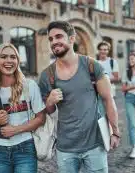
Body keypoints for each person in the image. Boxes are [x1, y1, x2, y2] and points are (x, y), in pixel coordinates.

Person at [38, 21, 120, 173]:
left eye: (58, 36)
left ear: (71, 38)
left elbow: (108, 99)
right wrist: (49, 101)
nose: (54, 42)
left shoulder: (92, 66)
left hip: (95, 145)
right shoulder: (46, 75)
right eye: (51, 39)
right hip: (65, 149)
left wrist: (115, 131)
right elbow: (46, 112)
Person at [0, 43, 46, 173]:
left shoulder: (29, 86)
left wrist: (16, 130)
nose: (9, 61)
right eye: (3, 57)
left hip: (26, 149)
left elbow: (41, 118)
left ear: (17, 61)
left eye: (13, 57)